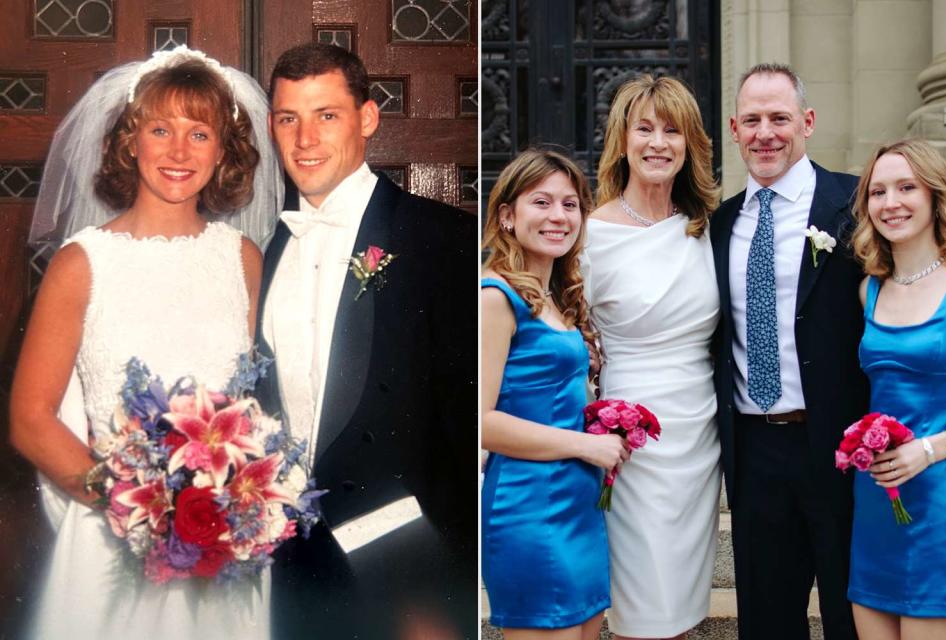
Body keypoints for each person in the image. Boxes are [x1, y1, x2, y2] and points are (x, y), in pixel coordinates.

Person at [9, 46, 282, 639]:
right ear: (130, 142)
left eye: (199, 133)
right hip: (116, 547)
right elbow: (30, 419)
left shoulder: (242, 259)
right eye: (160, 130)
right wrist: (141, 511)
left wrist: (226, 507)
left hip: (221, 547)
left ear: (223, 150)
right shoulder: (82, 263)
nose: (179, 152)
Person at [258, 43, 476, 639]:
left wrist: (443, 589)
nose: (305, 139)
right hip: (290, 569)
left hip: (407, 573)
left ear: (368, 119)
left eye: (326, 115)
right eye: (288, 118)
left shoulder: (444, 239)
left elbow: (464, 431)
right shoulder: (265, 251)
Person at [711, 62, 869, 640]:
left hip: (840, 447)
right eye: (751, 120)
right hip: (754, 452)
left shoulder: (856, 204)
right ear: (734, 128)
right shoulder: (720, 224)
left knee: (850, 616)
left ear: (807, 121)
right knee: (768, 621)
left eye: (779, 118)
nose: (765, 133)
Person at [581, 75, 721, 640]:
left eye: (673, 130)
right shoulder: (588, 234)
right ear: (623, 140)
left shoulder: (709, 228)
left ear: (690, 144)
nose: (658, 142)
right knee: (642, 602)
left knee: (683, 601)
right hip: (629, 440)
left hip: (699, 432)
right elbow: (568, 332)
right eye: (645, 128)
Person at [481, 148, 628, 640]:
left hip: (578, 504)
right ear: (507, 215)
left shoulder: (556, 297)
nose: (558, 217)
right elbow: (479, 421)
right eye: (541, 202)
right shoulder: (494, 298)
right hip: (529, 507)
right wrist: (587, 445)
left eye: (570, 205)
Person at [847, 138, 946, 640]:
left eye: (906, 188)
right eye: (878, 191)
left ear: (936, 195)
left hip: (944, 501)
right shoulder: (869, 288)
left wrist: (931, 450)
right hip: (878, 498)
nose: (890, 202)